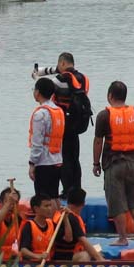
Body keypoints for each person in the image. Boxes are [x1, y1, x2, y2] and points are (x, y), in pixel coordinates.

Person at [93, 81, 134, 245]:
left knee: (116, 200)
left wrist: (96, 163)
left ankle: (122, 238)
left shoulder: (104, 116)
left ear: (110, 96)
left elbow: (98, 141)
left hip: (113, 163)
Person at [34, 52, 91, 198]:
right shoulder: (84, 79)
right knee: (74, 157)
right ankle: (77, 189)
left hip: (62, 124)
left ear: (63, 63)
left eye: (59, 64)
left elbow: (46, 91)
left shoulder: (58, 80)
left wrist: (38, 77)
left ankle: (67, 191)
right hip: (79, 123)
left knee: (64, 158)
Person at [29, 77, 64, 198]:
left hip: (43, 162)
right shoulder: (58, 111)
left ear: (38, 92)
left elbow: (37, 142)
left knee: (44, 199)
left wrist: (32, 163)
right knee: (54, 196)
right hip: (57, 160)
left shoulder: (40, 114)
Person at [52, 188, 104, 262]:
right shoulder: (71, 218)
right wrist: (100, 259)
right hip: (63, 256)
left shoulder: (58, 214)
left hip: (69, 252)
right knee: (86, 255)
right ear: (83, 204)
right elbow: (83, 240)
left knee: (98, 251)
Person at [19, 194, 57, 261]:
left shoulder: (52, 224)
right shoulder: (29, 226)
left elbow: (68, 238)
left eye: (50, 205)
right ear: (36, 209)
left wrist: (65, 219)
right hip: (33, 263)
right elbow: (23, 250)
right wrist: (38, 256)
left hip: (49, 262)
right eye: (46, 206)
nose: (49, 209)